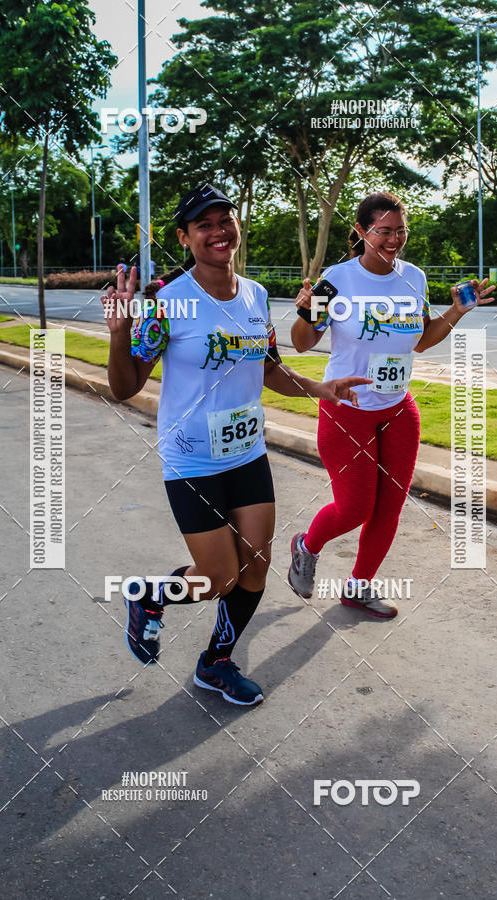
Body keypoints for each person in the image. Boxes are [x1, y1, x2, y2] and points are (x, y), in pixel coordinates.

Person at [100, 183, 370, 706]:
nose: (219, 231)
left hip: (247, 453)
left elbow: (268, 367)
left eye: (226, 220)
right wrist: (117, 333)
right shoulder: (167, 302)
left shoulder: (254, 295)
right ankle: (150, 595)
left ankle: (215, 663)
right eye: (204, 225)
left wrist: (318, 388)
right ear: (184, 238)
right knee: (220, 577)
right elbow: (125, 386)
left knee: (255, 570)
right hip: (191, 458)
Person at [287, 190, 495, 617]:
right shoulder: (337, 280)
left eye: (401, 230)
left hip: (398, 410)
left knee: (389, 508)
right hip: (347, 410)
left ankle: (358, 588)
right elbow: (303, 344)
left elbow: (419, 341)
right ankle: (306, 546)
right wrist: (308, 313)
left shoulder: (413, 278)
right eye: (384, 231)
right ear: (362, 231)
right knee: (354, 508)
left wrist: (456, 312)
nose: (393, 239)